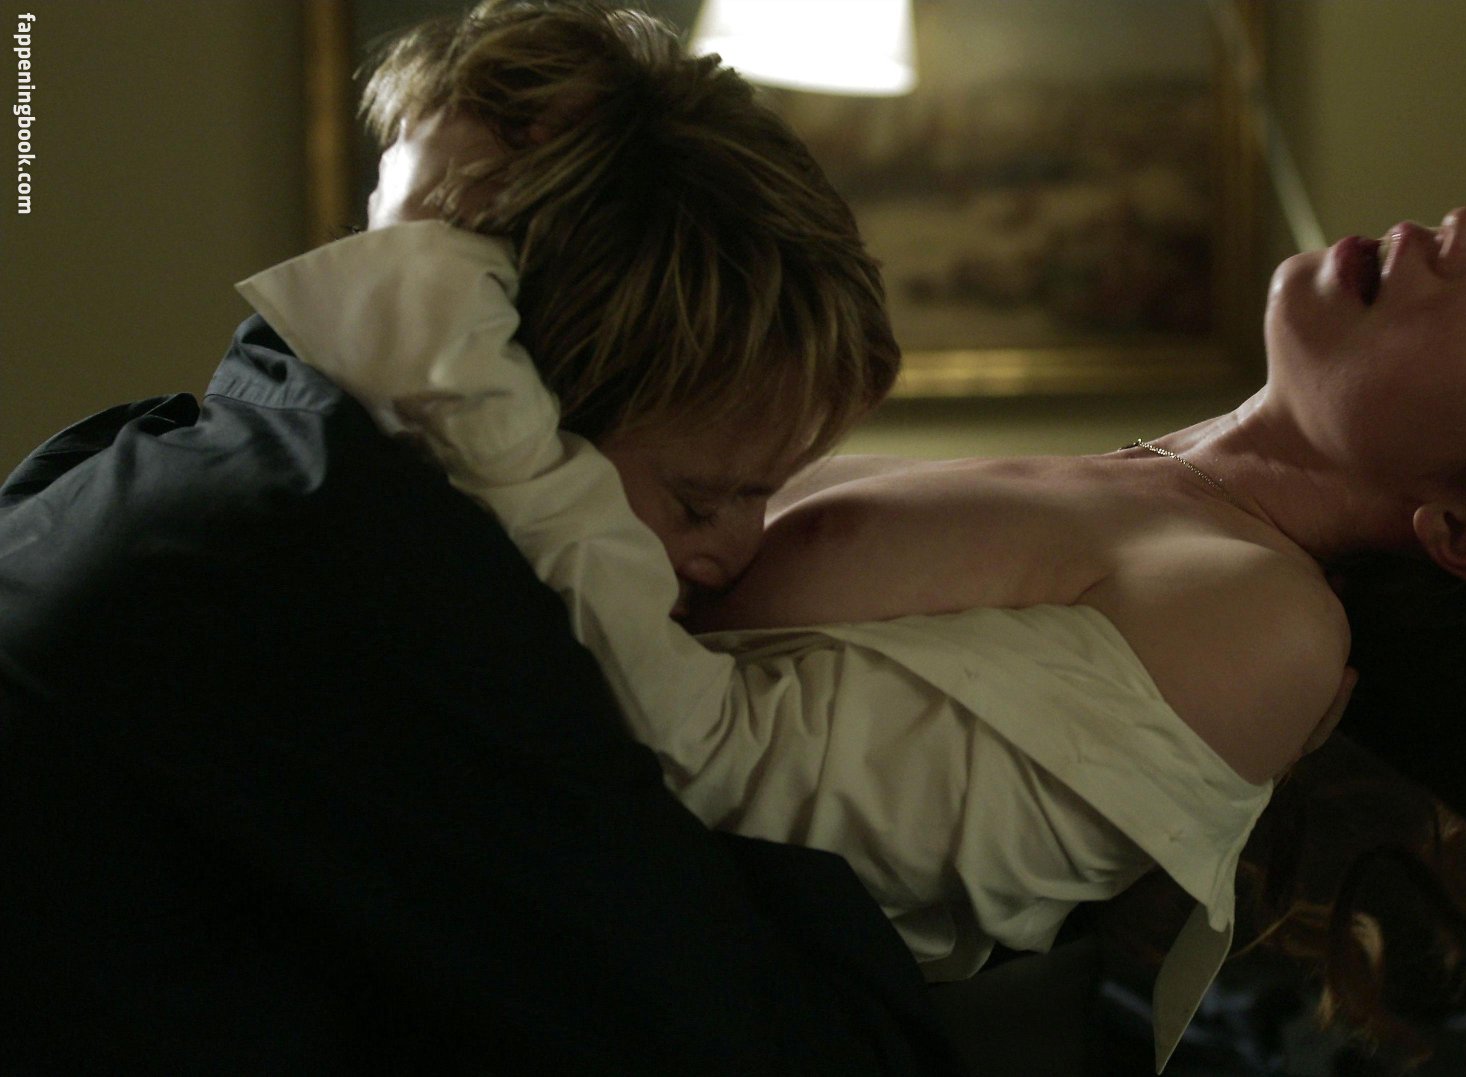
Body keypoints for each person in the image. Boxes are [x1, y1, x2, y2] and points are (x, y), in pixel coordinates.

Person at [272, 197, 1466, 1074]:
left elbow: (700, 788)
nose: (1462, 234)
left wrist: (443, 344)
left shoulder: (1252, 631)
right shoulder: (1164, 495)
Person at [0, 2, 960, 1073]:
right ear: (528, 413)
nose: (736, 553)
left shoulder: (178, 453)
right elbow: (794, 1045)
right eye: (700, 500)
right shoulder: (369, 587)